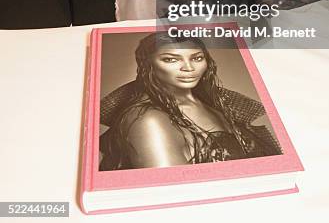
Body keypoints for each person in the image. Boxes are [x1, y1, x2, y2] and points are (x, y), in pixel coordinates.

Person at [99, 33, 281, 170]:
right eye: (170, 59)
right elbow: (171, 193)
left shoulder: (220, 103)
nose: (188, 67)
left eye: (197, 58)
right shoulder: (147, 120)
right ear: (148, 65)